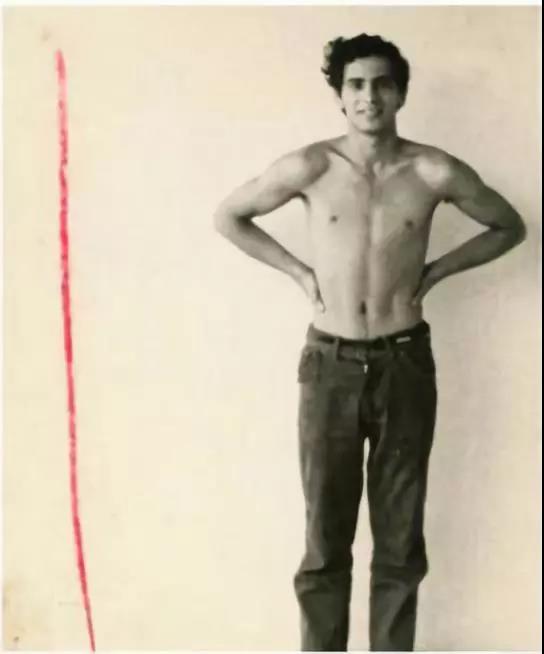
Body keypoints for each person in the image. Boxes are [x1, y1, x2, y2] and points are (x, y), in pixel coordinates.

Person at [213, 33, 526, 652]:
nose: (369, 96)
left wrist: (438, 271)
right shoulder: (311, 166)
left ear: (401, 93)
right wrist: (298, 271)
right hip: (329, 363)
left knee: (400, 541)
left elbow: (507, 226)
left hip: (403, 361)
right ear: (339, 95)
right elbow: (230, 216)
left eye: (383, 83)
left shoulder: (433, 170)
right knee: (325, 540)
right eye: (356, 84)